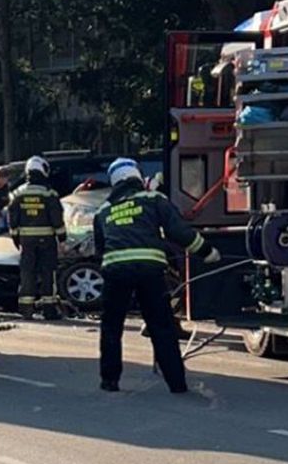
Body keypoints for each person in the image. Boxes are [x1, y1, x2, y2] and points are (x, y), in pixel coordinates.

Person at [91, 157, 217, 392]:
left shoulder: (103, 211)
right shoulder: (153, 199)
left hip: (116, 272)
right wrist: (207, 251)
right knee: (161, 327)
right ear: (138, 176)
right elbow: (178, 231)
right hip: (149, 271)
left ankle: (109, 381)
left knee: (111, 328)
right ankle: (176, 383)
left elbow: (100, 249)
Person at [5, 155, 65, 318]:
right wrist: (62, 237)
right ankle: (49, 309)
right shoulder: (49, 193)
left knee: (27, 272)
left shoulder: (17, 193)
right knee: (48, 273)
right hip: (47, 240)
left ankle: (26, 309)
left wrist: (15, 237)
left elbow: (12, 218)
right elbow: (56, 217)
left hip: (26, 240)